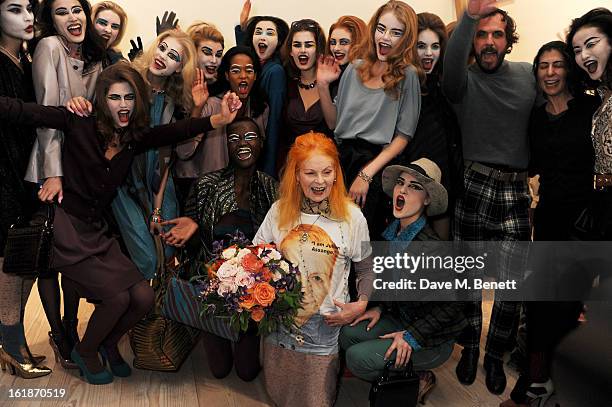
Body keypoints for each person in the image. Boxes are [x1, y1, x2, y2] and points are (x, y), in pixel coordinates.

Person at [0, 62, 242, 384]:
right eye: (115, 97)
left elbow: (175, 131)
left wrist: (219, 119)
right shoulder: (78, 121)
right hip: (65, 228)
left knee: (142, 298)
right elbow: (24, 112)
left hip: (96, 231)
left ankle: (108, 344)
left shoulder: (133, 137)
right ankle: (86, 351)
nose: (123, 105)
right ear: (102, 99)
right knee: (116, 298)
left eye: (129, 97)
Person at [442, 0, 536, 394]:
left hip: (515, 191)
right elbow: (448, 68)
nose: (489, 42)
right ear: (472, 43)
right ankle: (467, 349)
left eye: (497, 34)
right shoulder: (462, 83)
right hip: (474, 184)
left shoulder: (529, 75)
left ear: (507, 40)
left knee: (511, 286)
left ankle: (495, 355)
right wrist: (469, 16)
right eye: (482, 35)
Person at [500, 40, 599, 407]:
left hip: (588, 222)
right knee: (539, 301)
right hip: (549, 219)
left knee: (566, 305)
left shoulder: (591, 108)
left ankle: (548, 382)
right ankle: (536, 381)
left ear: (568, 69)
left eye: (557, 65)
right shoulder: (536, 117)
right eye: (543, 66)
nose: (551, 72)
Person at [253, 132, 374, 407]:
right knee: (279, 396)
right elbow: (255, 259)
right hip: (278, 326)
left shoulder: (353, 217)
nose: (320, 182)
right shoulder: (279, 211)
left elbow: (366, 269)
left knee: (317, 400)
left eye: (327, 172)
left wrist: (361, 304)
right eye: (310, 173)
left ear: (336, 174)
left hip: (323, 330)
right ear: (296, 175)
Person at [340, 158, 467, 403]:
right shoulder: (390, 236)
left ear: (427, 199)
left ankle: (418, 376)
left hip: (431, 338)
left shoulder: (434, 249)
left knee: (357, 358)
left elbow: (454, 305)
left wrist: (412, 336)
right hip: (402, 319)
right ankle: (401, 369)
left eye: (415, 186)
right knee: (347, 334)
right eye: (400, 183)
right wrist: (379, 307)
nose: (403, 190)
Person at [166, 117, 278, 381]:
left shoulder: (272, 189)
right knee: (219, 371)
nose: (242, 144)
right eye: (234, 138)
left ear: (261, 144)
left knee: (247, 372)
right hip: (211, 286)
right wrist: (192, 231)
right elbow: (192, 247)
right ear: (225, 145)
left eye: (250, 137)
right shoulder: (206, 185)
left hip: (250, 292)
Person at [25, 0, 105, 369]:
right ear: (49, 19)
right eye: (62, 11)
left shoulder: (92, 54)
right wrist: (53, 172)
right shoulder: (49, 48)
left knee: (73, 258)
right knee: (49, 261)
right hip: (51, 170)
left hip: (81, 170)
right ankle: (58, 333)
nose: (73, 17)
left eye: (77, 9)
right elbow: (46, 115)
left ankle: (72, 327)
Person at [317, 0, 423, 239]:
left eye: (396, 33)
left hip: (376, 165)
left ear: (406, 39)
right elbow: (334, 123)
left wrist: (366, 175)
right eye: (381, 28)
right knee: (330, 240)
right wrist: (323, 86)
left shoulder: (408, 76)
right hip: (340, 161)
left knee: (361, 241)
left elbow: (403, 137)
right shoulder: (354, 69)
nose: (385, 37)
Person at [110, 29, 200, 281]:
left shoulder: (173, 101)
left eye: (173, 56)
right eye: (162, 48)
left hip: (158, 178)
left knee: (169, 244)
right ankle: (142, 309)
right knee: (147, 258)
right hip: (123, 180)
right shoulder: (126, 79)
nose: (163, 57)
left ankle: (161, 312)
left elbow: (165, 156)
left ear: (180, 68)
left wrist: (157, 210)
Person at [0, 0, 52, 379]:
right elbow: (10, 109)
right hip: (2, 175)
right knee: (11, 263)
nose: (28, 17)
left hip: (26, 174)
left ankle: (12, 341)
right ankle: (11, 344)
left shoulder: (27, 58)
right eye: (15, 9)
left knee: (25, 260)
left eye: (30, 8)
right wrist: (58, 115)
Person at [401, 12, 463, 240]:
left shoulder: (447, 84)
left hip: (443, 180)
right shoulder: (402, 85)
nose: (428, 53)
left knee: (440, 257)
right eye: (421, 46)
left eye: (435, 46)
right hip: (409, 176)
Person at [175, 46, 268, 195]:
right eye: (236, 70)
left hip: (238, 189)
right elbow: (183, 152)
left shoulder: (260, 109)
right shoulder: (211, 104)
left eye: (249, 70)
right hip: (198, 186)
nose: (243, 76)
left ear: (256, 75)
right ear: (226, 75)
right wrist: (198, 108)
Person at [568, 8, 612, 239]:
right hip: (601, 202)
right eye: (577, 50)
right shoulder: (602, 95)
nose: (583, 55)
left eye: (591, 44)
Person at [236, 0, 289, 176]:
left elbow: (274, 121)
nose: (263, 37)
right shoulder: (256, 66)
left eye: (269, 33)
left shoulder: (275, 72)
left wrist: (268, 169)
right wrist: (243, 28)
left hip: (263, 152)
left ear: (279, 41)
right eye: (258, 32)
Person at [279, 19, 332, 171]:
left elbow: (333, 125)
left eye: (308, 45)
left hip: (325, 168)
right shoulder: (285, 82)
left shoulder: (332, 83)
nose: (302, 50)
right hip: (292, 169)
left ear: (319, 49)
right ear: (290, 51)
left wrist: (323, 84)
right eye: (297, 45)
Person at [326, 15, 367, 98]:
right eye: (333, 42)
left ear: (359, 43)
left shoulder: (368, 78)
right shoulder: (331, 76)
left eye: (344, 42)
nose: (336, 48)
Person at [186, 21, 224, 96]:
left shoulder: (224, 88)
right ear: (193, 52)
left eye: (218, 55)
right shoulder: (175, 84)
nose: (214, 60)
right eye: (207, 53)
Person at [91, 1, 126, 67]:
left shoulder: (116, 60)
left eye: (114, 27)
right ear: (91, 23)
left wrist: (137, 64)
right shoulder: (75, 53)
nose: (108, 30)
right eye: (102, 23)